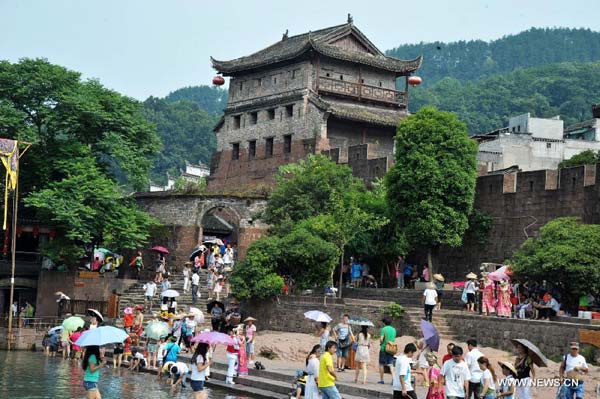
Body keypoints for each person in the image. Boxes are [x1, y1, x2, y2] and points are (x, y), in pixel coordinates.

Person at [378, 317, 397, 385]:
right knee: (391, 364)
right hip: (391, 348)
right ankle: (394, 379)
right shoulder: (394, 329)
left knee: (381, 364)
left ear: (384, 323)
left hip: (384, 348)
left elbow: (381, 339)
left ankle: (382, 380)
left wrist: (381, 342)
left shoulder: (384, 329)